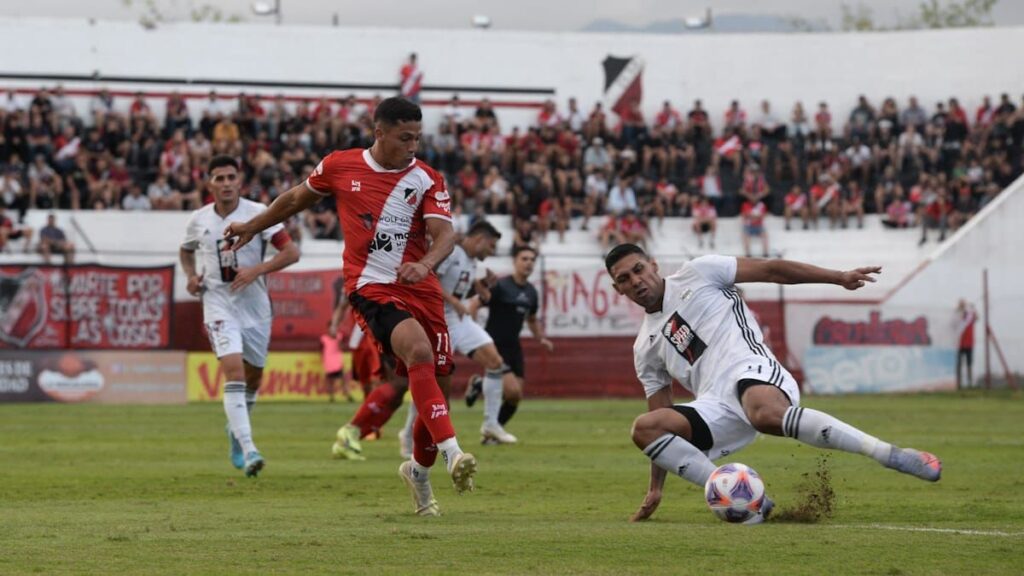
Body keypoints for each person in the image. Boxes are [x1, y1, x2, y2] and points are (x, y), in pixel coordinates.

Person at [223, 97, 476, 517]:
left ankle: (419, 471)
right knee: (417, 353)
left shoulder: (428, 178)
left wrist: (426, 263)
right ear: (379, 132)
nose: (412, 146)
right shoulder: (341, 166)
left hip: (422, 288)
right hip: (370, 285)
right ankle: (454, 453)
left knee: (438, 392)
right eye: (403, 137)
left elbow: (445, 233)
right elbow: (294, 200)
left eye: (417, 137)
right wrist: (253, 225)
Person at [603, 243, 942, 523]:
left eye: (639, 269)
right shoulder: (645, 346)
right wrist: (656, 487)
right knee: (645, 428)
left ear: (653, 264)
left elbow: (771, 270)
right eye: (625, 279)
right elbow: (664, 415)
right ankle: (738, 495)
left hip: (752, 370)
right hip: (715, 406)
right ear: (618, 289)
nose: (636, 281)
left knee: (764, 413)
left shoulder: (699, 272)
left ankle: (888, 454)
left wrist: (838, 277)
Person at [180, 155, 300, 478]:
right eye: (219, 178)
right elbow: (186, 250)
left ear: (240, 181)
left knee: (253, 378)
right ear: (210, 184)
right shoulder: (199, 219)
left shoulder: (259, 214)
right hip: (218, 302)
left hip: (255, 306)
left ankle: (235, 432)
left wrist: (256, 270)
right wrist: (191, 277)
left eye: (231, 177)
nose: (226, 183)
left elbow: (291, 252)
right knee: (232, 371)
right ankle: (249, 449)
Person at [402, 220, 518, 451]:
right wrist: (455, 301)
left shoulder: (471, 260)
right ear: (479, 239)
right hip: (436, 320)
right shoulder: (451, 250)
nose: (492, 252)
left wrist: (481, 286)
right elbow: (429, 277)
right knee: (429, 383)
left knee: (495, 363)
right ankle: (408, 436)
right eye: (491, 246)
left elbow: (458, 285)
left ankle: (491, 424)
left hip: (457, 320)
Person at [464, 246, 553, 440]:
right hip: (494, 345)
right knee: (511, 389)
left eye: (532, 259)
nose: (528, 263)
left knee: (514, 396)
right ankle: (490, 425)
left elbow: (531, 319)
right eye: (524, 259)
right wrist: (472, 329)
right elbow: (474, 304)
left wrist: (541, 338)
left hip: (514, 346)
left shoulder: (531, 292)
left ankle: (491, 433)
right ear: (515, 261)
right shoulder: (501, 286)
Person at [955, 299, 976, 389]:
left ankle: (969, 383)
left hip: (969, 344)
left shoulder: (970, 316)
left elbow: (977, 316)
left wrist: (970, 308)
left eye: (963, 304)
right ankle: (958, 383)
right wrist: (959, 309)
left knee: (969, 364)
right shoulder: (957, 316)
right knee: (958, 364)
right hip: (959, 344)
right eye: (961, 305)